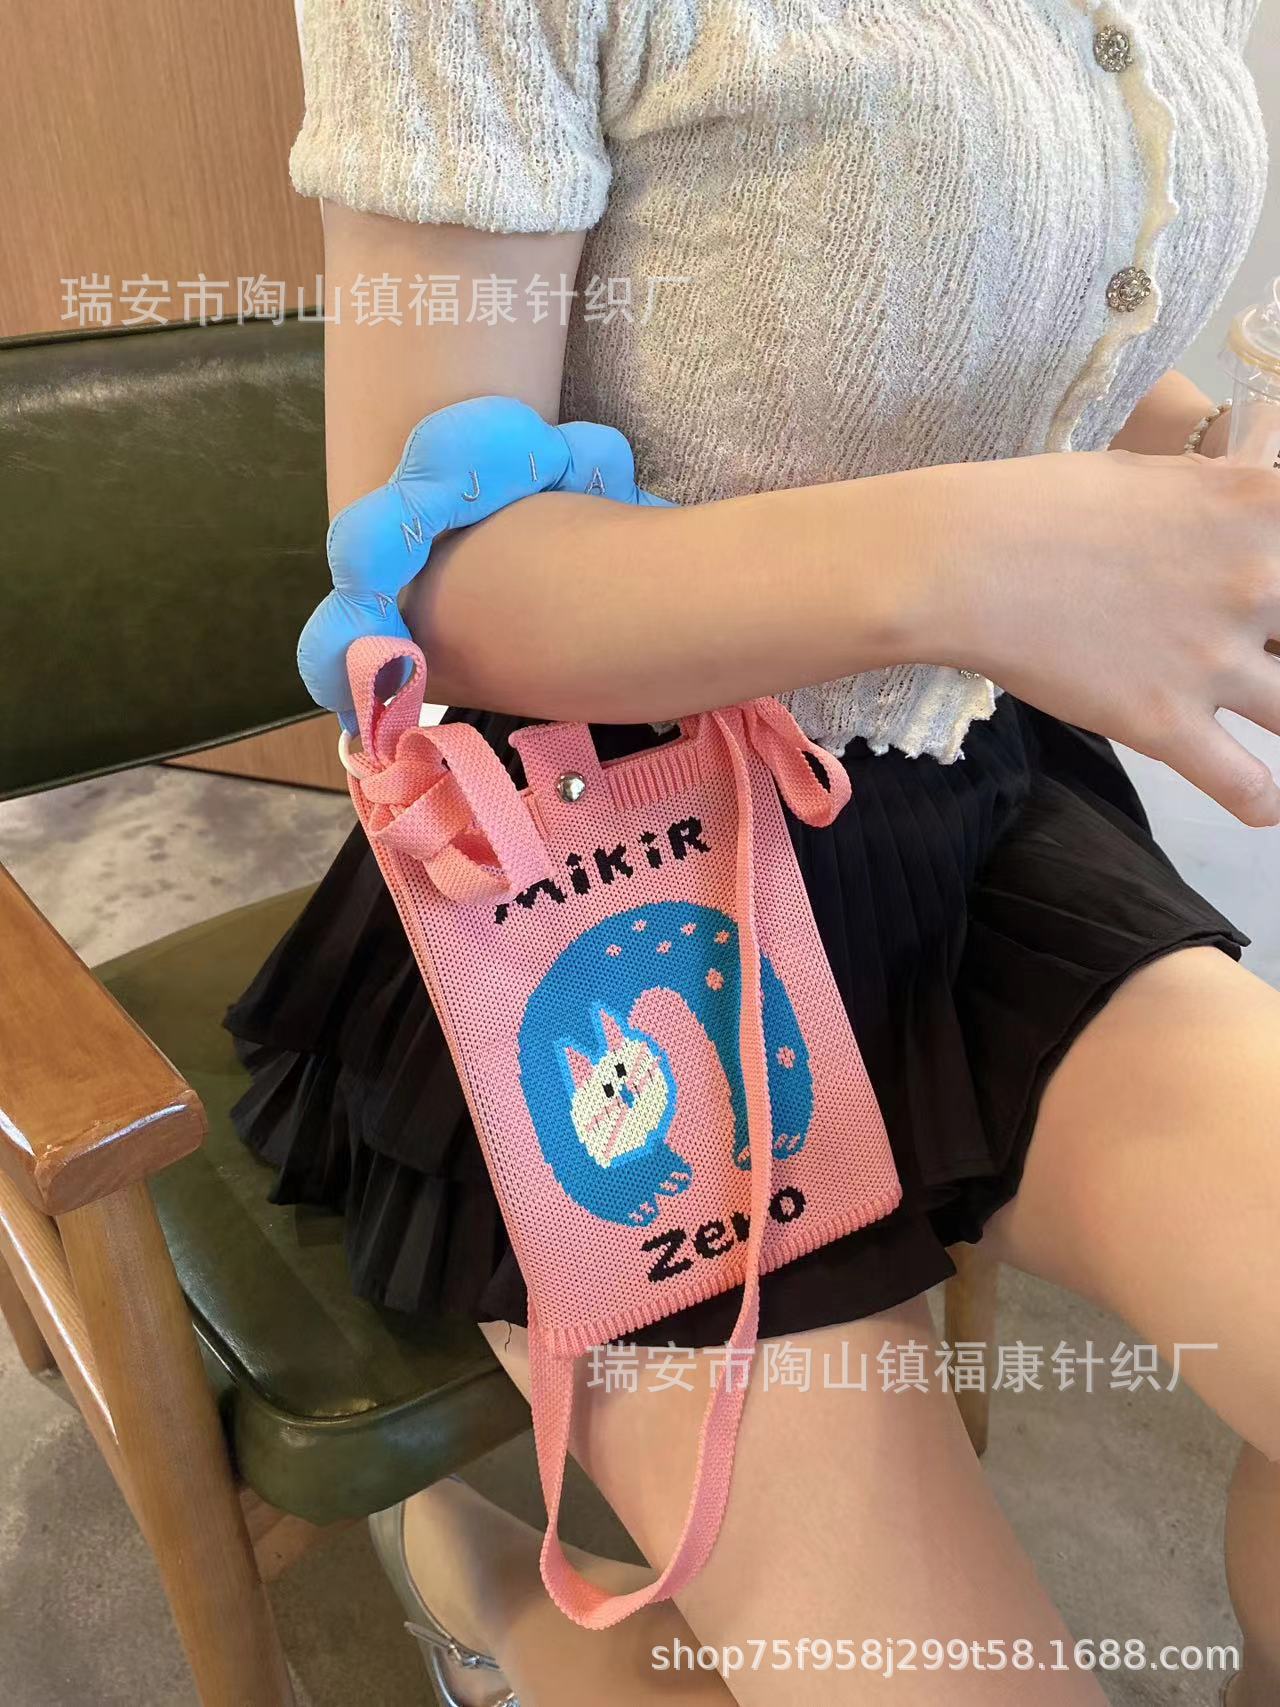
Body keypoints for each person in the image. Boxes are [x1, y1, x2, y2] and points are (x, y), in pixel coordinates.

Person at [227, 3, 1279, 1702]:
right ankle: (485, 1588)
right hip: (602, 886)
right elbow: (434, 582)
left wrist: (1195, 479)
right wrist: (979, 556)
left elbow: (999, 289)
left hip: (963, 813)